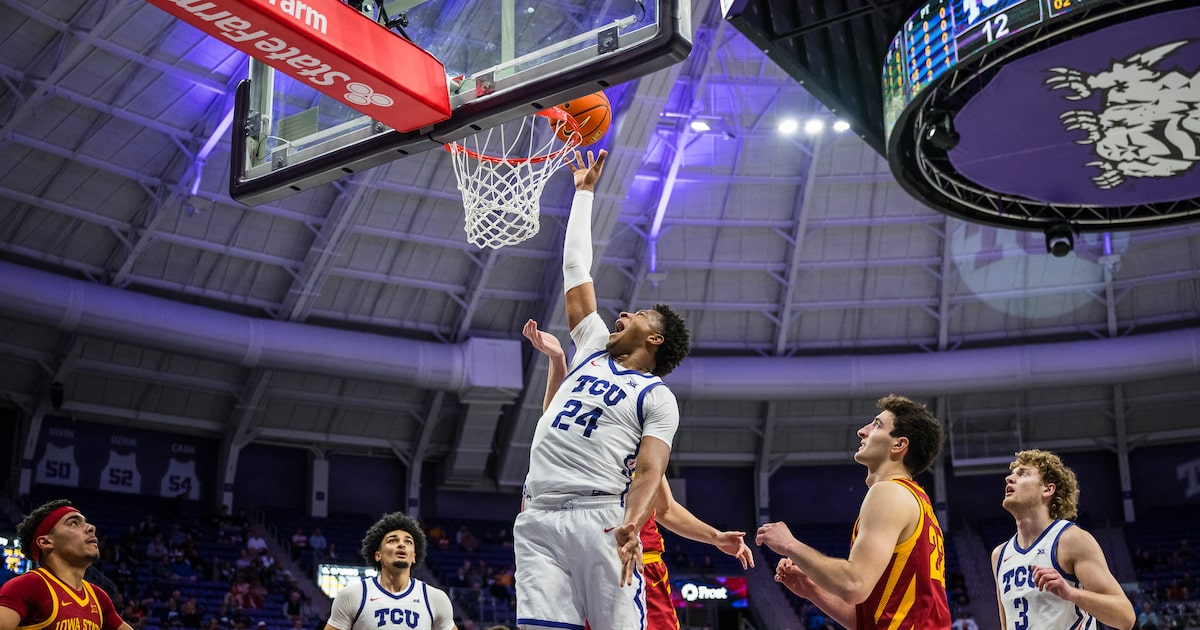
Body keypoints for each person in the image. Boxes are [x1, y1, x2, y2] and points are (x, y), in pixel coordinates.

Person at [514, 149, 692, 630]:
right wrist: (584, 194)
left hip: (601, 517)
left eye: (636, 315)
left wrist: (633, 521)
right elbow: (576, 270)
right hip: (537, 513)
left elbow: (651, 471)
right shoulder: (592, 345)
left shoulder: (657, 397)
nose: (622, 314)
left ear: (654, 339)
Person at [523, 318, 753, 630]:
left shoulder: (636, 444)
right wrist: (557, 359)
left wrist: (715, 538)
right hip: (577, 557)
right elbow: (557, 416)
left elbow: (665, 509)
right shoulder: (578, 444)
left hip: (634, 567)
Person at [756, 394, 952, 630]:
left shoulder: (889, 492)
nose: (862, 431)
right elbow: (867, 619)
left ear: (898, 445)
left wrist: (790, 545)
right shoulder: (916, 500)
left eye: (877, 425)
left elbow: (853, 585)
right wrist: (812, 590)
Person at [992, 449, 1135, 630]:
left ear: (1048, 489)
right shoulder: (999, 555)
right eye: (1012, 474)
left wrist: (1071, 593)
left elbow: (1125, 617)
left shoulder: (1071, 540)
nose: (1009, 479)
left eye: (1023, 474)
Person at [0, 499, 135, 630]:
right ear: (46, 542)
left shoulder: (98, 597)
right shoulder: (28, 586)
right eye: (74, 523)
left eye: (86, 523)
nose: (91, 528)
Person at [326, 512, 456, 630]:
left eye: (408, 542)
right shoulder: (352, 596)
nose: (401, 544)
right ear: (378, 555)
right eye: (392, 540)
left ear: (414, 557)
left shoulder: (435, 598)